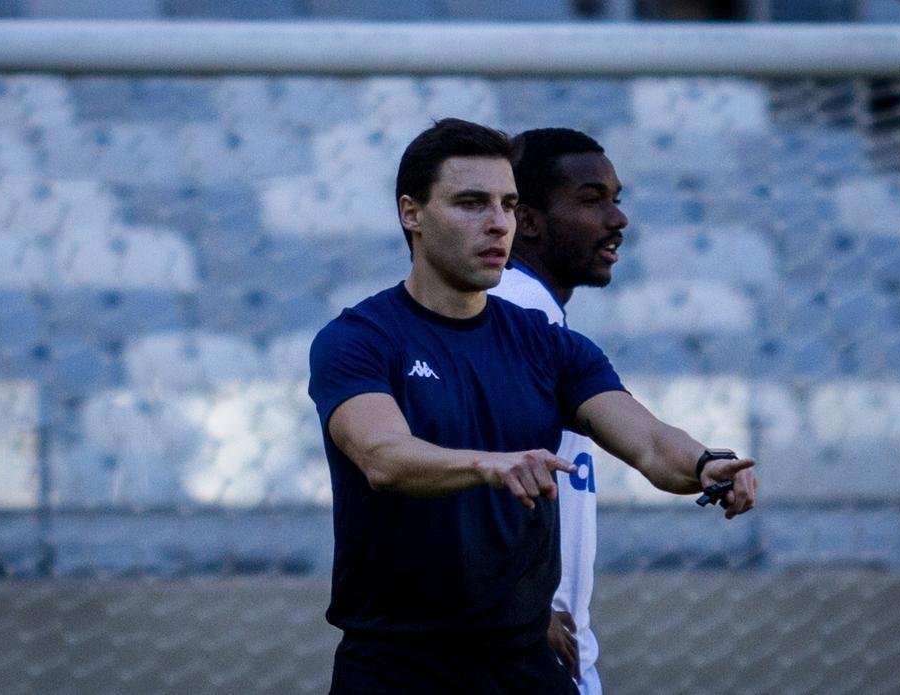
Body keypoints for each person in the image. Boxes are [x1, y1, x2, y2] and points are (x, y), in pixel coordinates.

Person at [308, 118, 756, 694]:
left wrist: (703, 464)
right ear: (410, 213)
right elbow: (383, 456)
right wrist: (485, 463)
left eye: (509, 204)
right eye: (472, 203)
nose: (499, 223)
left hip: (524, 665)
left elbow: (648, 442)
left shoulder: (548, 344)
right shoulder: (360, 339)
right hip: (398, 666)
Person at [490, 127, 643, 692]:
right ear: (527, 220)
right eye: (590, 199)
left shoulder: (537, 314)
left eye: (616, 198)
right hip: (518, 652)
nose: (617, 218)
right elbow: (465, 468)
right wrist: (520, 607)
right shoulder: (512, 309)